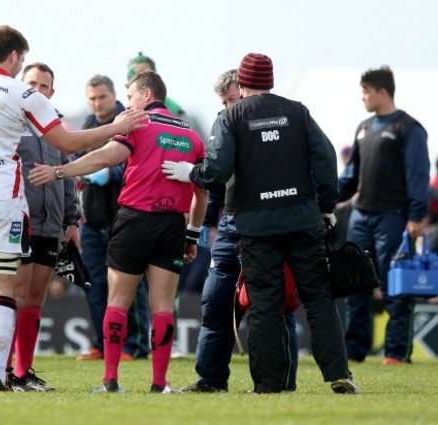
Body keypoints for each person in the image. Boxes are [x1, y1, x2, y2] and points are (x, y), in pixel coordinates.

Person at [0, 25, 146, 392]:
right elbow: (66, 141)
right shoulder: (21, 93)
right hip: (5, 204)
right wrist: (115, 127)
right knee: (4, 289)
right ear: (15, 57)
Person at [163, 53, 360, 394]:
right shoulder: (299, 112)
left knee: (265, 304)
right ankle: (339, 376)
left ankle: (268, 386)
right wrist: (326, 207)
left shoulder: (231, 116)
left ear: (242, 81)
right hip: (303, 221)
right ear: (271, 79)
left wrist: (191, 173)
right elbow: (327, 163)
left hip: (256, 227)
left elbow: (217, 171)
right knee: (318, 299)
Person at [30, 70, 208, 393]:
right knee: (163, 306)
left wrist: (60, 171)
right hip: (172, 226)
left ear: (147, 96)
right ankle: (160, 384)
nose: (127, 104)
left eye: (130, 97)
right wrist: (193, 235)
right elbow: (203, 192)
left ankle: (110, 380)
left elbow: (106, 157)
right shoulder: (192, 135)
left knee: (117, 301)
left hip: (135, 221)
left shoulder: (138, 124)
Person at [180, 69, 298, 393]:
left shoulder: (275, 122)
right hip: (230, 225)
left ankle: (280, 382)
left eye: (233, 99)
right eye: (224, 101)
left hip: (266, 225)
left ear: (245, 91)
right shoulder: (224, 123)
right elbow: (217, 180)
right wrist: (208, 225)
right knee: (215, 303)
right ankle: (210, 380)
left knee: (274, 305)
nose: (230, 105)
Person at [338, 66, 429, 365]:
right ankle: (355, 351)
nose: (362, 97)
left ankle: (395, 353)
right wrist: (325, 197)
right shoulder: (363, 128)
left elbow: (418, 176)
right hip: (360, 217)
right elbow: (349, 178)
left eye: (366, 91)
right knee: (357, 287)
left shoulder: (409, 128)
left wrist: (416, 216)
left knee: (395, 288)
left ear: (382, 92)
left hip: (393, 218)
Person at [6, 62, 82, 391]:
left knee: (35, 299)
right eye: (32, 83)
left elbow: (66, 176)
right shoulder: (8, 122)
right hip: (17, 222)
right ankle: (4, 371)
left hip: (50, 225)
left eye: (44, 85)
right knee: (16, 297)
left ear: (52, 91)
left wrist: (71, 220)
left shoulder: (57, 127)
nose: (38, 89)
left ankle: (23, 372)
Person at [75, 74, 150, 362]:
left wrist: (111, 173)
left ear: (114, 95)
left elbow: (138, 163)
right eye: (92, 98)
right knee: (94, 285)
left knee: (130, 286)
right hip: (92, 222)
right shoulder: (88, 125)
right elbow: (79, 161)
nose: (96, 103)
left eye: (101, 97)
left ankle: (134, 345)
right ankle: (102, 344)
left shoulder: (130, 119)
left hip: (124, 219)